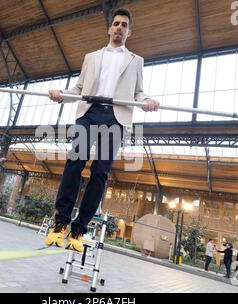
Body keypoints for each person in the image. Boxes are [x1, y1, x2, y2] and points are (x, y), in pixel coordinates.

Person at [45, 8, 159, 252]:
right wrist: (61, 95)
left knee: (100, 173)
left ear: (129, 31)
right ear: (109, 28)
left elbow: (139, 92)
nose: (119, 27)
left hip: (116, 118)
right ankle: (60, 223)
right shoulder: (92, 57)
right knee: (75, 161)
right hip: (90, 112)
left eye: (124, 25)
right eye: (116, 23)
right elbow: (78, 88)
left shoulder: (136, 60)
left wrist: (147, 101)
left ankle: (78, 230)